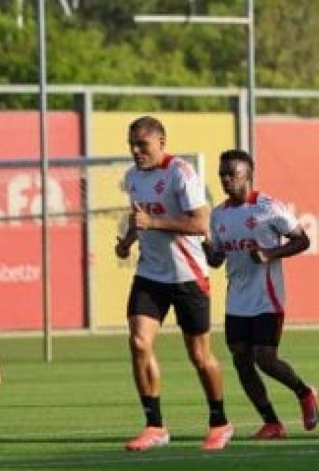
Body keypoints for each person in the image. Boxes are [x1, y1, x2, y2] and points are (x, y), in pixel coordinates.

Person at [115, 116, 232, 452]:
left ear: (161, 142)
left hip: (188, 276)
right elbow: (139, 217)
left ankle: (220, 421)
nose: (136, 151)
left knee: (200, 356)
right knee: (139, 343)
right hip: (150, 274)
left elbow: (201, 223)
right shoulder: (133, 177)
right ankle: (155, 426)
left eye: (143, 145)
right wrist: (127, 240)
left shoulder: (181, 173)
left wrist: (153, 222)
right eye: (132, 145)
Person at [203, 149, 319, 441]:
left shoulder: (269, 207)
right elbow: (217, 260)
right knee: (241, 359)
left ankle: (304, 392)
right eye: (222, 174)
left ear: (248, 175)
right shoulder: (218, 214)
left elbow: (302, 240)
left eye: (232, 173)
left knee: (265, 358)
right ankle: (272, 422)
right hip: (237, 299)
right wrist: (207, 248)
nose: (226, 179)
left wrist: (271, 253)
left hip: (268, 297)